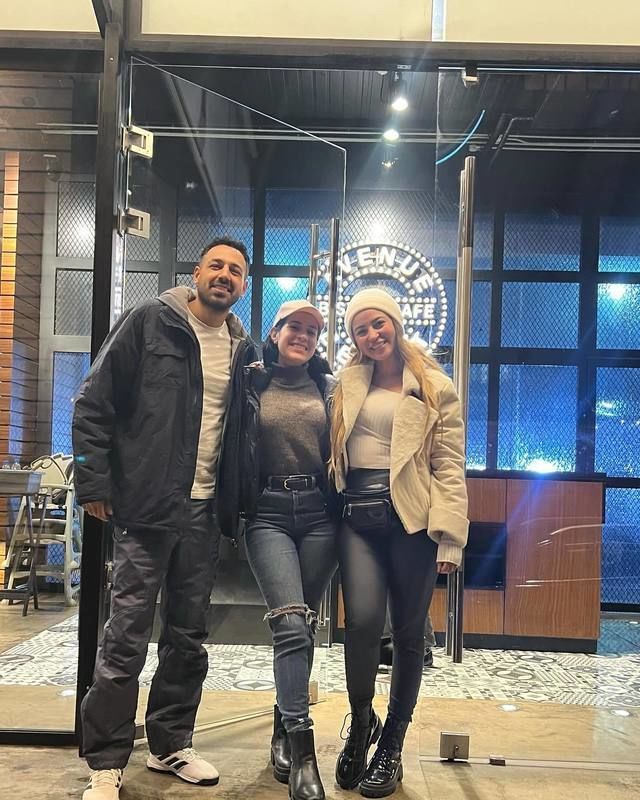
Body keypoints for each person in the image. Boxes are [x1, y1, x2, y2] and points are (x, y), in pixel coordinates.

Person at [72, 237, 257, 800]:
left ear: (244, 285)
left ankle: (170, 743)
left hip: (204, 514)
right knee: (126, 635)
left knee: (187, 636)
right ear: (196, 272)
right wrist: (93, 483)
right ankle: (106, 761)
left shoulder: (241, 347)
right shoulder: (149, 322)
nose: (224, 275)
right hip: (146, 508)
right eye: (216, 265)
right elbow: (93, 404)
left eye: (236, 270)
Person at [329, 288, 469, 798]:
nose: (372, 335)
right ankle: (361, 724)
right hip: (356, 518)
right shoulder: (346, 383)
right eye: (360, 329)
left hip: (412, 519)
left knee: (409, 634)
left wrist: (450, 538)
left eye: (378, 324)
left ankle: (392, 742)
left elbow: (448, 465)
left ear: (395, 322)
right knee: (362, 622)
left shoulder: (434, 386)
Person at [229, 299, 338, 800]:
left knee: (304, 629)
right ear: (275, 333)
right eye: (295, 326)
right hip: (267, 513)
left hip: (320, 515)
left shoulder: (329, 388)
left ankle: (281, 723)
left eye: (312, 330)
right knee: (291, 624)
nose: (303, 335)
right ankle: (303, 749)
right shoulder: (250, 383)